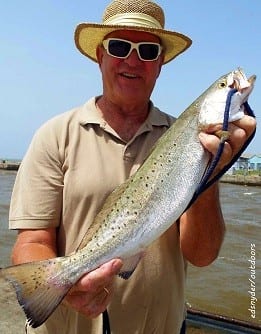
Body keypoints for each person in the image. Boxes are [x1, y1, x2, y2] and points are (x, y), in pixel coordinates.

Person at [9, 0, 256, 333]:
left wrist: (210, 176)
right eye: (120, 46)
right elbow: (31, 241)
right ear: (100, 56)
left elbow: (202, 256)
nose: (132, 60)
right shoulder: (54, 136)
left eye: (148, 51)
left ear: (161, 64)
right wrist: (65, 287)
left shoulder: (193, 142)